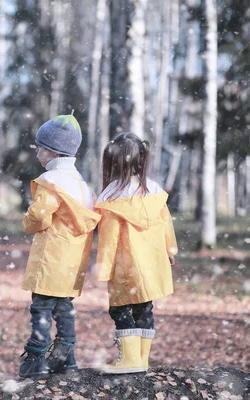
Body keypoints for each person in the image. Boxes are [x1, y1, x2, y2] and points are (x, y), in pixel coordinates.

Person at [19, 113, 101, 378]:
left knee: (41, 308)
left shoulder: (51, 184)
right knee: (64, 308)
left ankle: (36, 359)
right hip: (72, 262)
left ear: (51, 153)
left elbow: (40, 215)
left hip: (50, 258)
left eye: (39, 149)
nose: (37, 154)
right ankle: (65, 356)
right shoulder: (82, 186)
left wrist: (27, 221)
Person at [94, 132, 178, 374]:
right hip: (150, 263)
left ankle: (129, 360)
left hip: (124, 266)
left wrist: (104, 266)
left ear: (112, 162)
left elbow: (108, 239)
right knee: (145, 307)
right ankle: (142, 359)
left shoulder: (110, 196)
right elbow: (166, 224)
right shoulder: (153, 190)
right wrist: (169, 250)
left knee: (119, 308)